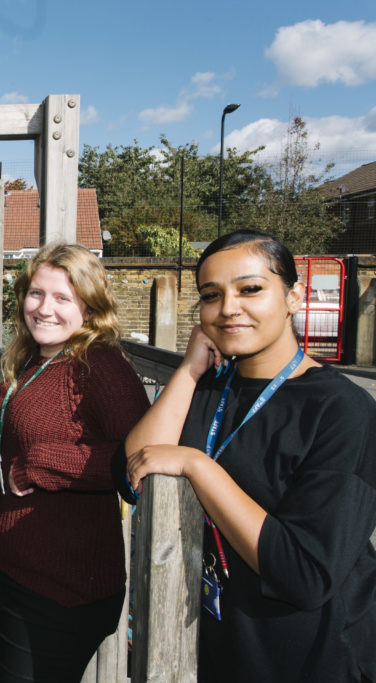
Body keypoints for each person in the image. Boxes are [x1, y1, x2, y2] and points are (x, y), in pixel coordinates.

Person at [121, 230, 376, 682]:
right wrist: (189, 369)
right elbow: (135, 468)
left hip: (305, 656)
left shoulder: (341, 410)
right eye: (211, 295)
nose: (229, 308)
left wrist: (197, 465)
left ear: (294, 296)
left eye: (250, 289)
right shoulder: (213, 386)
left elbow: (305, 573)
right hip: (217, 639)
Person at [0, 242, 149, 682]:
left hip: (60, 587)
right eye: (36, 294)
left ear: (90, 308)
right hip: (11, 565)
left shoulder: (100, 365)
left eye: (62, 298)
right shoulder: (35, 355)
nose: (44, 308)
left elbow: (139, 457)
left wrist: (41, 463)